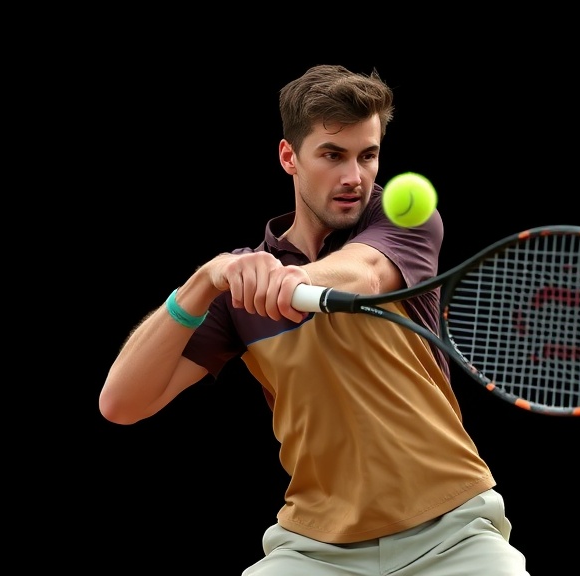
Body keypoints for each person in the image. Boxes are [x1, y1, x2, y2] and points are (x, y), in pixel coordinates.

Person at [100, 64, 530, 575]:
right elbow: (121, 403)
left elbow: (365, 272)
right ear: (289, 157)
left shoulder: (405, 219)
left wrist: (289, 282)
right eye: (332, 155)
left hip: (451, 530)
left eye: (367, 155)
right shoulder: (240, 284)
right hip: (315, 549)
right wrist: (202, 283)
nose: (354, 177)